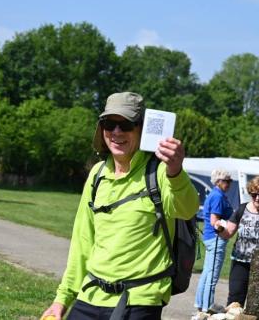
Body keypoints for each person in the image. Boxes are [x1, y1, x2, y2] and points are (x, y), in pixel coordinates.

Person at [41, 92, 199, 320]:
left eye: (125, 124)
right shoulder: (97, 174)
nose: (116, 132)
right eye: (109, 124)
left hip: (139, 300)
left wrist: (175, 171)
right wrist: (62, 299)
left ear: (140, 129)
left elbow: (187, 209)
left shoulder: (160, 172)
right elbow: (82, 242)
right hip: (91, 295)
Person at [215, 176, 259, 307]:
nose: (257, 198)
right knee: (235, 300)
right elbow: (228, 234)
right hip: (240, 262)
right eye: (254, 195)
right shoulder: (241, 209)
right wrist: (219, 229)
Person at [194, 169, 233, 316]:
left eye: (230, 181)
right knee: (213, 274)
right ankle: (208, 306)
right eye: (226, 181)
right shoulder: (217, 196)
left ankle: (200, 303)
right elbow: (214, 221)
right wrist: (226, 232)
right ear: (218, 181)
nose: (229, 184)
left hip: (210, 238)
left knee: (206, 272)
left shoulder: (216, 194)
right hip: (217, 238)